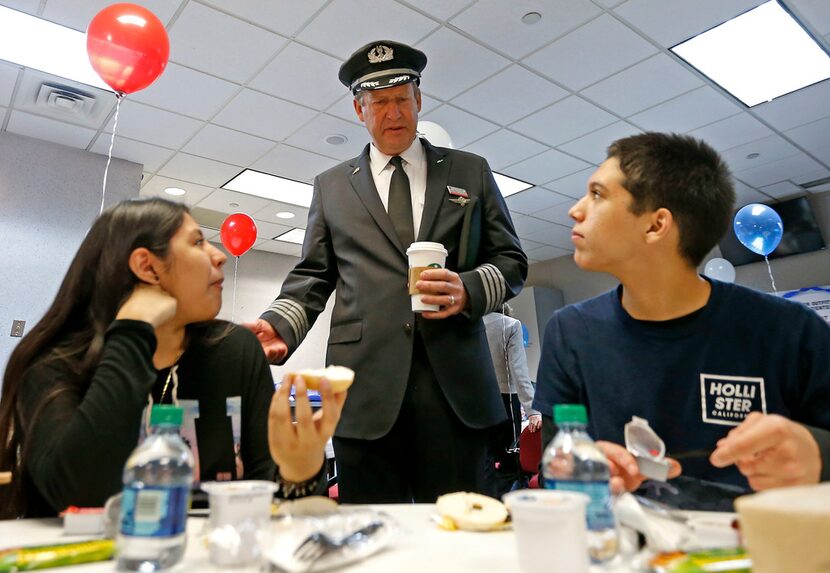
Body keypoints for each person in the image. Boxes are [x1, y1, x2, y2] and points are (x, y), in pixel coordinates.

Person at [245, 40, 527, 503]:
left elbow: (512, 261)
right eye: (379, 102)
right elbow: (313, 275)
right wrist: (278, 325)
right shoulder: (332, 187)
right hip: (363, 391)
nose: (392, 112)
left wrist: (468, 289)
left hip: (455, 391)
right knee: (369, 530)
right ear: (360, 110)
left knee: (461, 534)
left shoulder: (470, 172)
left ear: (419, 101)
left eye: (401, 99)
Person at [0, 198, 345, 518]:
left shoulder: (235, 350)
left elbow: (273, 510)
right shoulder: (56, 364)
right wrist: (134, 331)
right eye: (197, 242)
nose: (219, 255)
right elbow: (78, 494)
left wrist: (301, 473)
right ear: (146, 267)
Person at [532, 133, 830, 499]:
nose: (575, 210)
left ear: (656, 225)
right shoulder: (570, 331)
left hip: (760, 545)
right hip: (624, 546)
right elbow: (552, 463)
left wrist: (817, 453)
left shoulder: (791, 331)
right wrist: (581, 468)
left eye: (597, 194)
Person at [483, 304, 540, 496]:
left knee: (482, 459)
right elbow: (519, 372)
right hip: (505, 397)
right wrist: (532, 411)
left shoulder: (467, 325)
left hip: (473, 400)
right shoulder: (509, 325)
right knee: (506, 457)